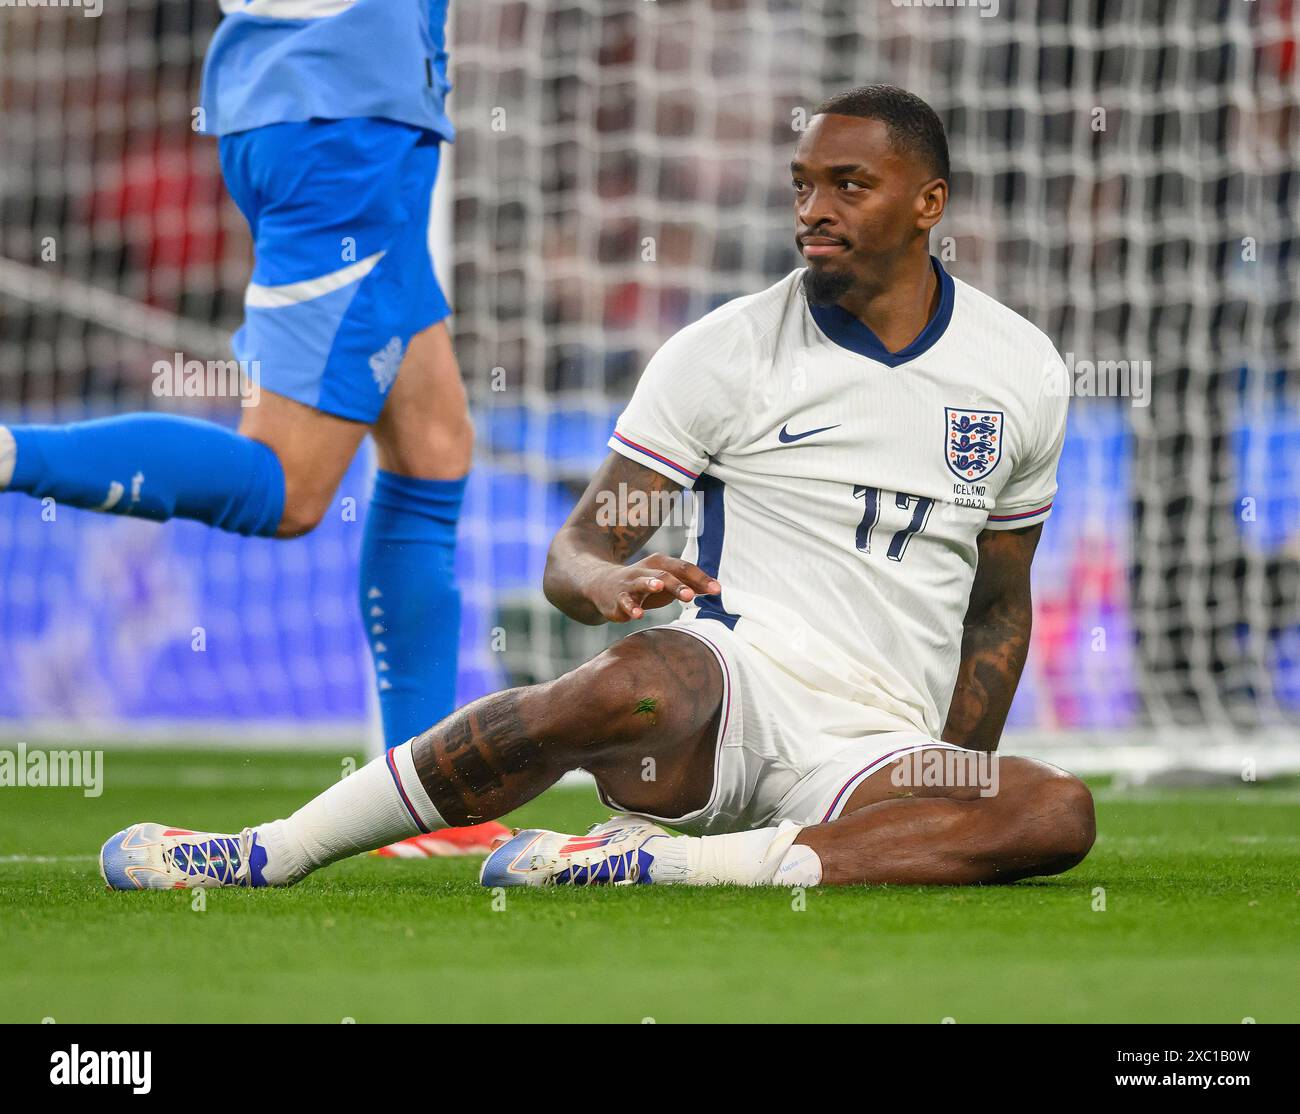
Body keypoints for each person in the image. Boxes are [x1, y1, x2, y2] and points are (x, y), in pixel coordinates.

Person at [99, 85, 1094, 892]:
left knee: (1057, 812)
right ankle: (272, 849)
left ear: (930, 203)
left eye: (847, 185)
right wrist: (601, 585)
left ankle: (676, 868)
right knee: (630, 678)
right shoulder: (723, 353)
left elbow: (999, 611)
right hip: (723, 701)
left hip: (875, 744)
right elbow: (579, 550)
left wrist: (941, 794)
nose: (813, 213)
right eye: (801, 187)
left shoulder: (1020, 371)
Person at [2, 0, 506, 855]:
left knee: (432, 445)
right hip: (346, 119)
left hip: (328, 103)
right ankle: (14, 450)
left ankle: (419, 800)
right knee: (288, 487)